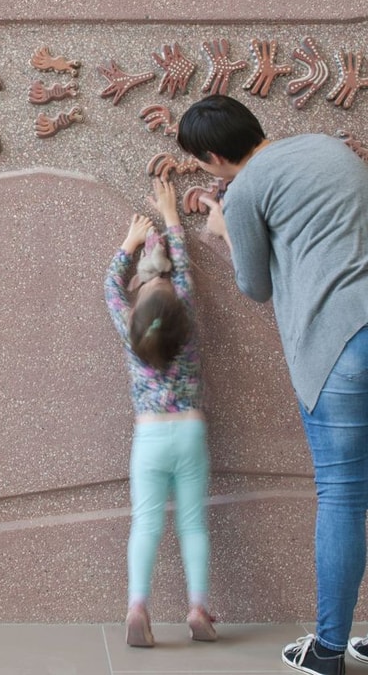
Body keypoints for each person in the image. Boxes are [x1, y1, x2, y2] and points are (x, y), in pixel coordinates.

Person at [176, 94, 368, 675]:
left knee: (343, 495)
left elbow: (255, 285)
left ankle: (329, 651)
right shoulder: (329, 147)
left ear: (212, 157)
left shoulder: (246, 190)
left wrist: (221, 225)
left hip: (339, 345)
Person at [104, 176, 217, 648]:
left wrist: (130, 244)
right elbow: (184, 269)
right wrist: (172, 217)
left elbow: (111, 287)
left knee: (145, 522)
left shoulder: (131, 331)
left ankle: (137, 606)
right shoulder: (187, 323)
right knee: (192, 521)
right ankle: (197, 608)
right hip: (189, 433)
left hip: (148, 437)